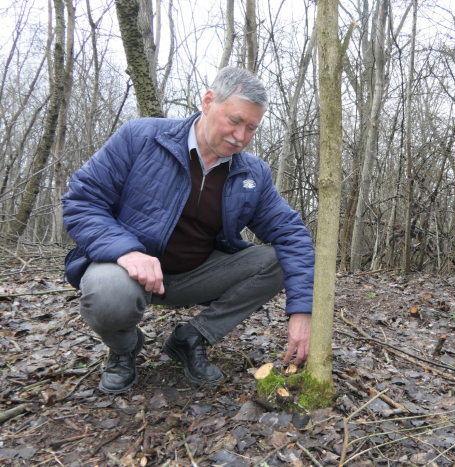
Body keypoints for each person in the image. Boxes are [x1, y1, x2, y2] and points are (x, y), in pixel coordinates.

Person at [62, 67, 314, 394]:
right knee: (108, 294)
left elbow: (291, 235)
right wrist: (126, 251)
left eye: (251, 127)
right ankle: (123, 348)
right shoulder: (141, 138)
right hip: (127, 273)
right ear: (208, 102)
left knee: (276, 259)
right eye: (235, 121)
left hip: (193, 276)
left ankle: (191, 338)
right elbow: (82, 200)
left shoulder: (252, 174)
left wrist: (302, 310)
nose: (241, 136)